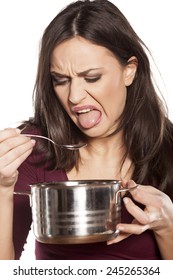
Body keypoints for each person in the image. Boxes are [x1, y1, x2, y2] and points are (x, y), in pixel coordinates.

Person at [0, 0, 173, 260]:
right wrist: (2, 190)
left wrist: (168, 227)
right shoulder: (35, 151)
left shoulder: (169, 150)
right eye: (61, 80)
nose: (74, 96)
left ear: (129, 71)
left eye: (91, 77)